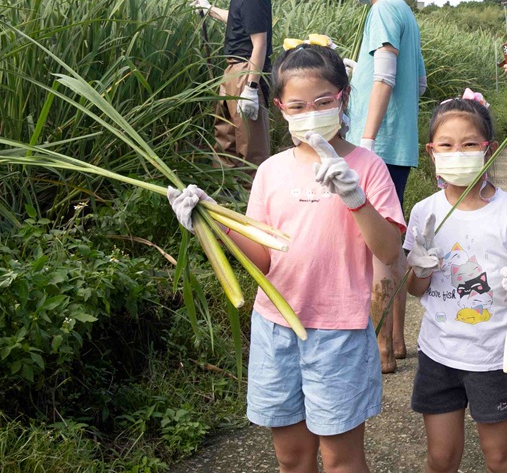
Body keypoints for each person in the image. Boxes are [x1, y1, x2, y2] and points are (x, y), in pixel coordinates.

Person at [168, 39, 404, 473]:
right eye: (297, 106)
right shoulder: (270, 170)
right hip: (275, 329)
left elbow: (390, 252)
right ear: (279, 107)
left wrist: (355, 197)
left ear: (343, 98)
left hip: (340, 333)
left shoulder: (369, 168)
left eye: (322, 101)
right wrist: (211, 223)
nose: (310, 112)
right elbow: (260, 259)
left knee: (341, 461)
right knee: (291, 459)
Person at [403, 91, 507, 473]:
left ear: (490, 149)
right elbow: (416, 291)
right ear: (431, 151)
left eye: (469, 144)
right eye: (446, 145)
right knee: (440, 457)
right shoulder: (424, 212)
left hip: (493, 357)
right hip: (437, 354)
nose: (457, 153)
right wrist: (418, 269)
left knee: (499, 457)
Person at [344, 0, 427, 373]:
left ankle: (378, 350)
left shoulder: (381, 10)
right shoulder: (405, 12)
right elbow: (419, 82)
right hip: (401, 144)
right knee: (390, 243)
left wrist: (367, 140)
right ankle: (395, 341)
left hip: (382, 144)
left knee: (377, 247)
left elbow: (388, 77)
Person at [190, 0, 273, 173]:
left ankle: (252, 203)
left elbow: (260, 44)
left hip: (246, 71)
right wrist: (210, 9)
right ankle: (226, 193)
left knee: (250, 147)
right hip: (232, 70)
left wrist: (251, 87)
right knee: (225, 137)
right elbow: (238, 21)